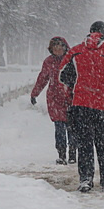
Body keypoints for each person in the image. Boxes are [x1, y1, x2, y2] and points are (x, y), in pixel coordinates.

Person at [59, 21, 104, 192]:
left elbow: (63, 76)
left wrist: (73, 96)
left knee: (84, 143)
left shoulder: (75, 51)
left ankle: (86, 179)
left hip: (80, 105)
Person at [30, 36, 75, 165]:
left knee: (72, 128)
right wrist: (35, 93)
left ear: (65, 47)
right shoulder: (49, 62)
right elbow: (42, 78)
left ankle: (73, 152)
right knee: (59, 128)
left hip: (71, 98)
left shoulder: (72, 59)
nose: (58, 50)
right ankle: (61, 154)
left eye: (60, 47)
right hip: (55, 99)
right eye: (55, 48)